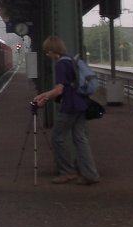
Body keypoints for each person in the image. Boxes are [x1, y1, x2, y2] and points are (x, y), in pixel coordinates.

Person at [33, 35, 101, 185]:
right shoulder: (71, 60)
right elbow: (65, 87)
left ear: (52, 51)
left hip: (70, 106)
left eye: (47, 52)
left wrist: (43, 97)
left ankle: (67, 172)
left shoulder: (61, 65)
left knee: (57, 137)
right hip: (82, 104)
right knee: (80, 139)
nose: (47, 55)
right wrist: (44, 95)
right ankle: (90, 174)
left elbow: (59, 90)